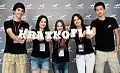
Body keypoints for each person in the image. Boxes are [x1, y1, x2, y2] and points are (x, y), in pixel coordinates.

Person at [91, 2, 120, 73]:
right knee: (98, 71)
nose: (99, 11)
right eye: (97, 10)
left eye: (101, 9)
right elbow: (93, 32)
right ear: (95, 12)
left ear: (104, 9)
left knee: (116, 71)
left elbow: (117, 34)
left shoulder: (112, 20)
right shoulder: (94, 22)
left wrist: (117, 46)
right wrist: (91, 33)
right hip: (99, 52)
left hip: (112, 51)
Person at [2, 2, 29, 73]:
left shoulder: (26, 24)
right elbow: (10, 32)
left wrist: (26, 38)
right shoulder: (7, 23)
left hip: (22, 54)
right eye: (18, 10)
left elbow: (25, 35)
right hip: (9, 54)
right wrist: (18, 40)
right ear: (14, 11)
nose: (20, 12)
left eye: (22, 11)